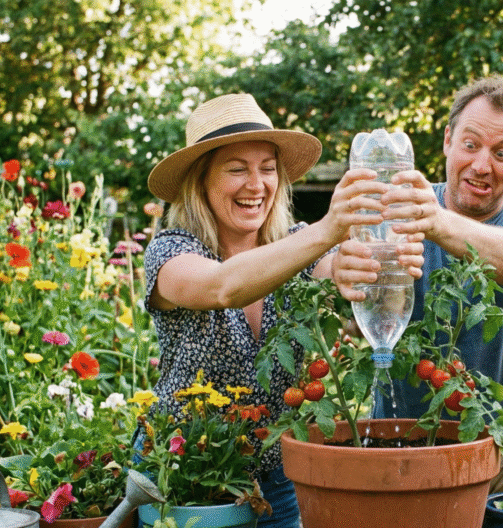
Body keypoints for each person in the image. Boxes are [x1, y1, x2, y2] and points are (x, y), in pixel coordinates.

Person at [332, 75, 503, 527]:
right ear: (447, 141)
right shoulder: (393, 205)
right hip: (397, 431)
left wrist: (435, 222)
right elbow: (327, 259)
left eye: (501, 153)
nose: (482, 165)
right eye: (471, 144)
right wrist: (340, 265)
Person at [141, 93, 423, 528]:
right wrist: (329, 230)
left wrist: (368, 267)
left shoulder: (297, 245)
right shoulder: (172, 250)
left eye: (268, 169)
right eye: (237, 169)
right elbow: (222, 287)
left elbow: (340, 270)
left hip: (276, 482)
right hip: (186, 477)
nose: (256, 185)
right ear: (200, 181)